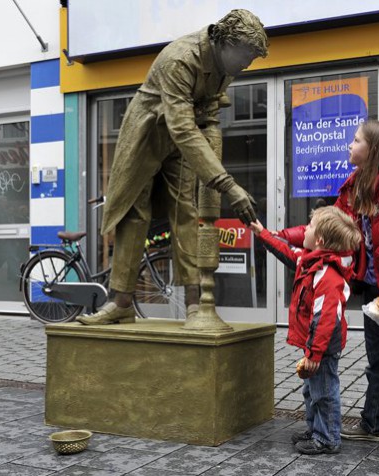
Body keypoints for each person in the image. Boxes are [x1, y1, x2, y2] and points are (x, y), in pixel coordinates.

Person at [78, 10, 268, 326]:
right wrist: (227, 184)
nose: (248, 64)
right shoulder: (179, 59)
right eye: (247, 55)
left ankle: (196, 306)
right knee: (134, 214)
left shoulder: (225, 65)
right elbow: (180, 125)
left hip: (182, 142)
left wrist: (214, 161)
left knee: (186, 212)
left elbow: (206, 113)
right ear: (226, 42)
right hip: (147, 135)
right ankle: (121, 302)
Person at [278, 120, 379, 454]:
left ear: (373, 150)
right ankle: (374, 424)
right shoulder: (357, 185)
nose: (350, 145)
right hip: (378, 290)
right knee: (377, 361)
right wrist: (280, 236)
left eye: (356, 140)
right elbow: (326, 227)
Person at [249, 206, 361, 455]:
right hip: (315, 345)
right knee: (311, 389)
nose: (305, 229)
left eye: (309, 227)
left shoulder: (327, 276)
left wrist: (314, 354)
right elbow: (286, 251)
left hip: (323, 345)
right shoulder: (311, 260)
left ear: (319, 240)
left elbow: (325, 320)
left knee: (324, 391)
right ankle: (315, 429)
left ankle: (328, 438)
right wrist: (262, 233)